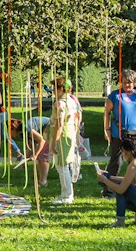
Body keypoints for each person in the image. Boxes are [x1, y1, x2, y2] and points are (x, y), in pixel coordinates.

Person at [102, 69, 136, 197]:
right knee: (116, 161)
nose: (127, 85)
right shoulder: (115, 96)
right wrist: (107, 129)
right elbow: (107, 113)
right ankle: (109, 191)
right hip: (119, 134)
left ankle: (135, 188)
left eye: (130, 83)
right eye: (125, 82)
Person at [49, 76, 82, 205]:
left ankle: (67, 195)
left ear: (61, 88)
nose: (53, 91)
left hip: (63, 135)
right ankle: (66, 194)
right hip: (70, 133)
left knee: (61, 166)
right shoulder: (72, 101)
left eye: (55, 88)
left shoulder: (60, 103)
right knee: (64, 165)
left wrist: (54, 142)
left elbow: (59, 123)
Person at [11, 116, 51, 186]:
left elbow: (41, 141)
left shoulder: (26, 128)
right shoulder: (22, 133)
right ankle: (42, 181)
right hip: (44, 132)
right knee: (40, 155)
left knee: (43, 155)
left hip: (50, 127)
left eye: (9, 132)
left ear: (13, 128)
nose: (10, 135)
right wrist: (24, 160)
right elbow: (31, 146)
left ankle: (43, 182)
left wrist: (35, 155)